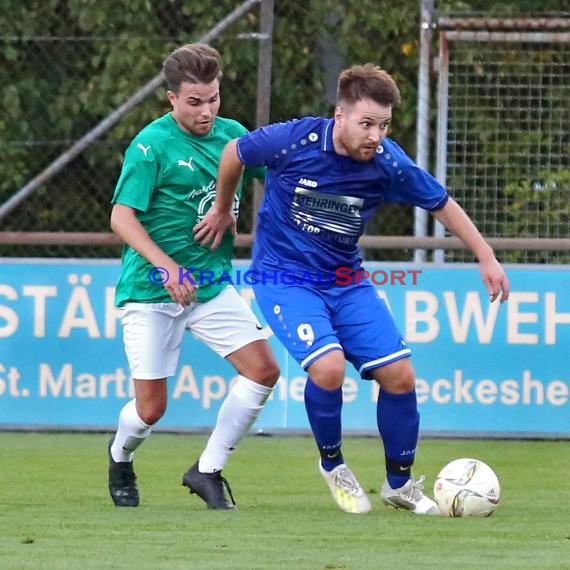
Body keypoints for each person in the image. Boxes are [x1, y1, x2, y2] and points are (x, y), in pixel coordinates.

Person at [194, 63, 510, 515]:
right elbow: (234, 153)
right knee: (328, 368)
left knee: (399, 376)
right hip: (285, 279)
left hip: (346, 280)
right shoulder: (293, 140)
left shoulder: (387, 163)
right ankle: (334, 466)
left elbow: (440, 202)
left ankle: (398, 484)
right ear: (339, 115)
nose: (375, 135)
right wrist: (224, 209)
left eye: (383, 125)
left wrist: (485, 254)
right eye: (366, 123)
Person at [108, 43, 280, 510]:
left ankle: (207, 470)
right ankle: (120, 454)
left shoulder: (234, 137)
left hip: (210, 286)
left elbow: (281, 174)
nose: (207, 112)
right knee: (150, 411)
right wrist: (165, 265)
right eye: (194, 101)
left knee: (264, 371)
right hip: (151, 290)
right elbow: (122, 218)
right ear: (172, 99)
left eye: (214, 99)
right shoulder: (151, 145)